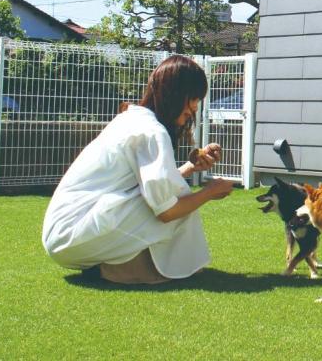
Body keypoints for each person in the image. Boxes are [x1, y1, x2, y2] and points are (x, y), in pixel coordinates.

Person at [42, 55, 234, 284]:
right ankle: (130, 270)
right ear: (177, 94)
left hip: (67, 233)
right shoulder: (152, 131)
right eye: (193, 99)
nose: (194, 106)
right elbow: (167, 211)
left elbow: (148, 183)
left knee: (172, 192)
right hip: (75, 234)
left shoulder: (132, 120)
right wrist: (210, 192)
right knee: (179, 198)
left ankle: (119, 264)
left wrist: (190, 167)